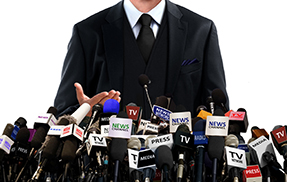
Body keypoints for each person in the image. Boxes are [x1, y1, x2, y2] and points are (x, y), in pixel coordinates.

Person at [54, 0, 229, 119]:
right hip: (107, 166)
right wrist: (84, 113)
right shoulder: (87, 33)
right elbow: (61, 114)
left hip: (182, 167)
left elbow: (219, 113)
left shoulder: (202, 31)